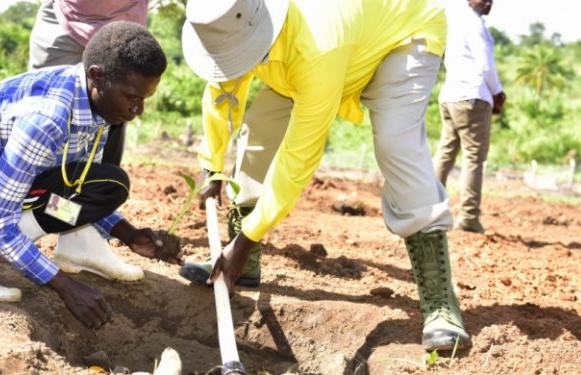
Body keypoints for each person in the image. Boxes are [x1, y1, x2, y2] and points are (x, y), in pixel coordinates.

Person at [179, 0, 471, 351]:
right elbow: (222, 92)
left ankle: (440, 303)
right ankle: (244, 267)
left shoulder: (317, 44)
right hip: (329, 47)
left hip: (401, 35)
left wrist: (246, 238)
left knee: (397, 144)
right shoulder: (232, 22)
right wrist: (211, 165)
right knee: (259, 132)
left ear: (260, 33)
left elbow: (297, 159)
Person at [0, 21, 169, 330]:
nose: (138, 110)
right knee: (110, 185)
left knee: (104, 186)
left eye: (145, 99)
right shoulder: (46, 121)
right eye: (132, 97)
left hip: (13, 188)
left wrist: (127, 233)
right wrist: (64, 286)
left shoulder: (99, 100)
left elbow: (76, 186)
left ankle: (81, 245)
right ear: (96, 75)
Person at [28, 0, 151, 278]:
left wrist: (122, 230)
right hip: (66, 17)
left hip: (124, 23)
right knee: (45, 157)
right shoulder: (43, 121)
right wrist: (56, 281)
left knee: (104, 172)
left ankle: (81, 238)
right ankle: (5, 236)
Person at [433, 0, 506, 234]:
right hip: (473, 96)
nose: (488, 3)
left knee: (446, 152)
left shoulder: (454, 21)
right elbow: (485, 65)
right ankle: (469, 217)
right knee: (474, 157)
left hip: (450, 95)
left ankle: (430, 208)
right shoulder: (474, 24)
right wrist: (498, 93)